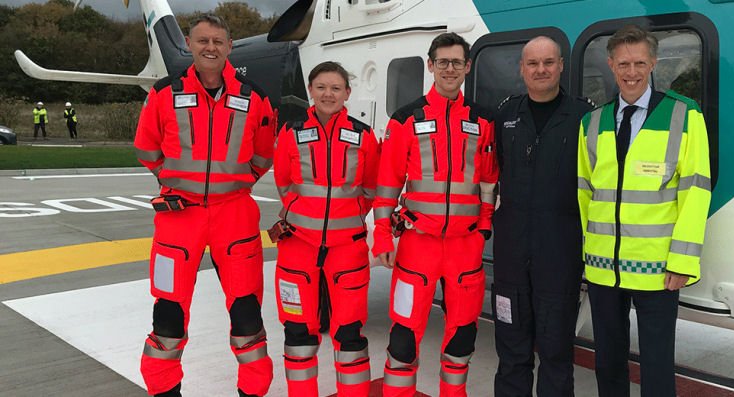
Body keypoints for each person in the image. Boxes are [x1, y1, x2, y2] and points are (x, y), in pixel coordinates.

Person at [133, 14, 276, 397]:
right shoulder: (163, 94)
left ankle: (252, 391)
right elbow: (146, 148)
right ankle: (164, 391)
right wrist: (176, 182)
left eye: (217, 41)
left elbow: (264, 157)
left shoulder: (256, 98)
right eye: (202, 41)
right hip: (179, 217)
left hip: (235, 215)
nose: (210, 47)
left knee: (247, 314)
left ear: (229, 47)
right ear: (189, 44)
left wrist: (235, 184)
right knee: (168, 313)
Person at [576, 24, 711, 396]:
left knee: (656, 363)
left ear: (653, 63)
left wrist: (683, 261)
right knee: (607, 361)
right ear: (611, 65)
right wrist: (588, 256)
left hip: (657, 269)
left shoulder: (684, 116)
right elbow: (585, 194)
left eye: (638, 63)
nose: (631, 72)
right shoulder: (593, 122)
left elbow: (696, 191)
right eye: (623, 64)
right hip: (603, 268)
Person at [373, 32, 498, 397]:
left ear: (467, 67)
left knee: (461, 340)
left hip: (465, 249)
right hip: (417, 247)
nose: (449, 68)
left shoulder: (483, 121)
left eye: (456, 62)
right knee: (403, 342)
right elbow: (387, 185)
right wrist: (383, 234)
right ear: (430, 66)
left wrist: (484, 229)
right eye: (442, 61)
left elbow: (489, 181)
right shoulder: (405, 119)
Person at [491, 36, 593, 397]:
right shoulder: (505, 114)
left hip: (559, 256)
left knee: (556, 353)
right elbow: (496, 173)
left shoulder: (584, 117)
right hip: (511, 259)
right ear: (522, 69)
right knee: (512, 351)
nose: (541, 70)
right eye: (532, 63)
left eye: (548, 62)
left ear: (561, 66)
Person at [271, 61, 380, 396]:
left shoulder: (363, 135)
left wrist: (343, 219)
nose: (328, 94)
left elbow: (371, 189)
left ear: (347, 93)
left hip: (347, 248)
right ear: (310, 91)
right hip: (297, 248)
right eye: (321, 87)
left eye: (336, 88)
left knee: (349, 334)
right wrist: (304, 215)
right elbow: (284, 183)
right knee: (298, 334)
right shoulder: (290, 132)